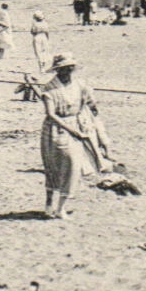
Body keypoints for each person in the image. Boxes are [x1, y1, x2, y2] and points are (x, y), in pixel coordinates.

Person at [38, 52, 100, 219]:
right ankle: (50, 205)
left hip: (75, 126)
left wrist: (91, 114)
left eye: (70, 68)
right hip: (55, 130)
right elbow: (51, 114)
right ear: (58, 71)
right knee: (53, 168)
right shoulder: (50, 89)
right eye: (64, 69)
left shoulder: (79, 85)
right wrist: (72, 130)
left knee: (73, 166)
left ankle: (61, 207)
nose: (67, 72)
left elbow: (88, 101)